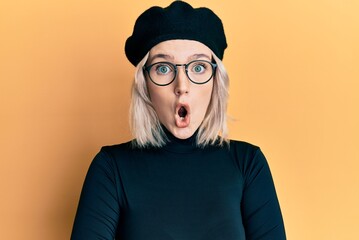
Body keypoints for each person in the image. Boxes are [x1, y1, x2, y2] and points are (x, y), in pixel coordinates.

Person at [71, 1, 286, 239]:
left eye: (198, 67)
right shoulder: (111, 169)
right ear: (145, 87)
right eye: (163, 68)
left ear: (216, 81)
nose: (182, 86)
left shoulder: (248, 165)